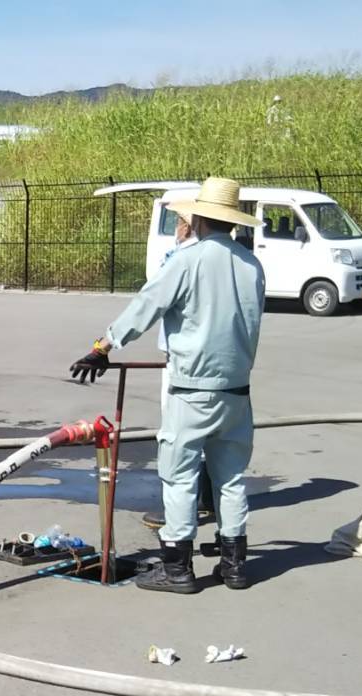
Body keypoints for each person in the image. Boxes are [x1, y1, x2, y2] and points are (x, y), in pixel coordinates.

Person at [69, 177, 265, 593]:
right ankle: (234, 567)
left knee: (179, 477)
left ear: (198, 217)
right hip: (236, 389)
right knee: (229, 479)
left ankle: (177, 568)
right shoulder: (251, 265)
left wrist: (102, 346)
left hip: (192, 387)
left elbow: (148, 305)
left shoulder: (187, 260)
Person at [140, 213, 216, 531]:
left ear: (189, 225)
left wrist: (105, 343)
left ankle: (181, 519)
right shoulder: (235, 258)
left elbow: (153, 298)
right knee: (215, 434)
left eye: (178, 221)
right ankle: (210, 500)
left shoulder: (183, 257)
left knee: (177, 434)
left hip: (184, 358)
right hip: (218, 360)